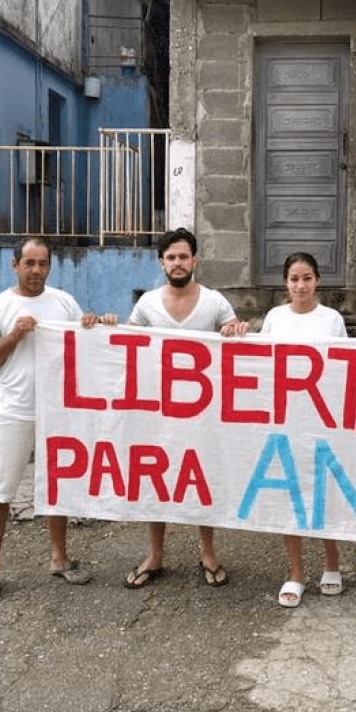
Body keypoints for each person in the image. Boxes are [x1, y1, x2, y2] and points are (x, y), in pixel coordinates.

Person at [0, 237, 113, 603]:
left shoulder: (64, 302)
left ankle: (59, 557)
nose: (36, 271)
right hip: (12, 411)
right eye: (29, 263)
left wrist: (93, 324)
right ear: (15, 265)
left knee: (58, 487)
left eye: (43, 263)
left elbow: (85, 349)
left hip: (58, 411)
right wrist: (15, 336)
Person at [123, 228, 248, 589]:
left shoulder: (215, 302)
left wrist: (236, 332)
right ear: (162, 262)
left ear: (195, 260)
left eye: (183, 257)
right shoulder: (146, 303)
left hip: (202, 411)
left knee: (201, 476)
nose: (177, 263)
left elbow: (234, 340)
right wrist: (99, 329)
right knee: (157, 477)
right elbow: (125, 348)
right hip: (158, 410)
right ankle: (155, 554)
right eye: (171, 258)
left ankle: (207, 552)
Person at [260, 252, 349, 608]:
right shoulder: (274, 317)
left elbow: (345, 366)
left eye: (307, 278)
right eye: (294, 279)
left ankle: (332, 564)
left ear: (317, 281)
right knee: (290, 496)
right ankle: (295, 572)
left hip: (322, 420)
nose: (301, 285)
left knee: (324, 492)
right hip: (285, 419)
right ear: (286, 283)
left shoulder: (332, 319)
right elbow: (260, 362)